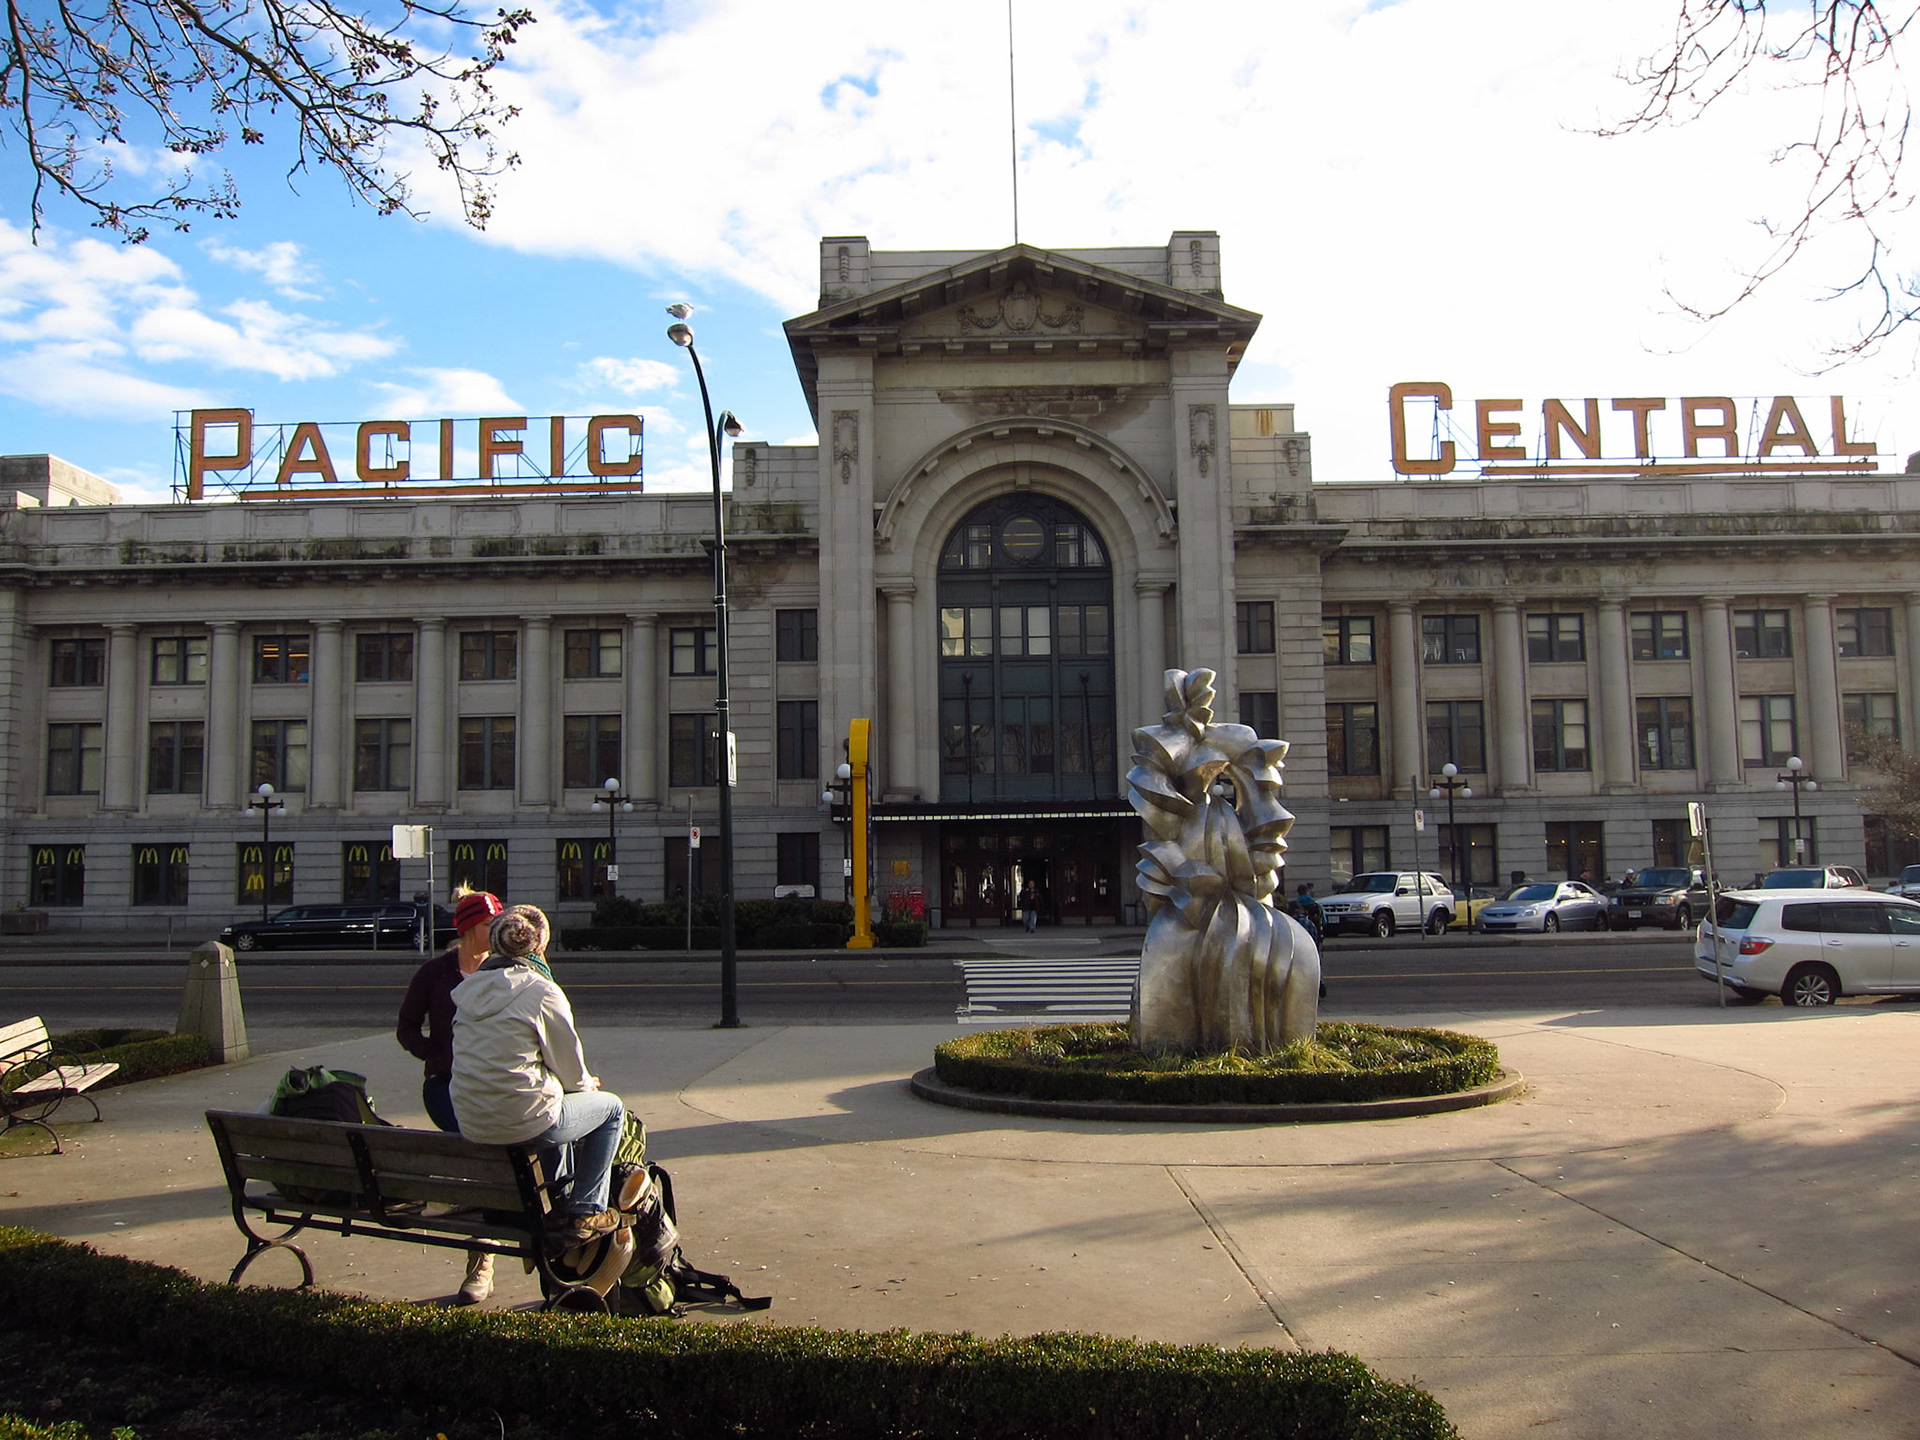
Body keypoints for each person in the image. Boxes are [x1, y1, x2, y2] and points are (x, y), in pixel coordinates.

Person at [450, 904, 626, 1245]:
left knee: (547, 1097)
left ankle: (561, 1200)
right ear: (538, 946)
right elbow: (572, 1072)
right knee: (610, 1110)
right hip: (523, 1122)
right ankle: (586, 1209)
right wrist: (589, 1086)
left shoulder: (468, 991)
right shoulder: (542, 990)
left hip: (472, 1121)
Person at [396, 884, 504, 1304]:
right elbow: (406, 1028)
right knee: (484, 1144)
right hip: (446, 1086)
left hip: (496, 1085)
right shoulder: (434, 973)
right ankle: (483, 1260)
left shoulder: (506, 969)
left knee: (491, 1148)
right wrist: (437, 1055)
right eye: (489, 924)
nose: (495, 930)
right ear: (469, 929)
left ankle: (490, 1237)